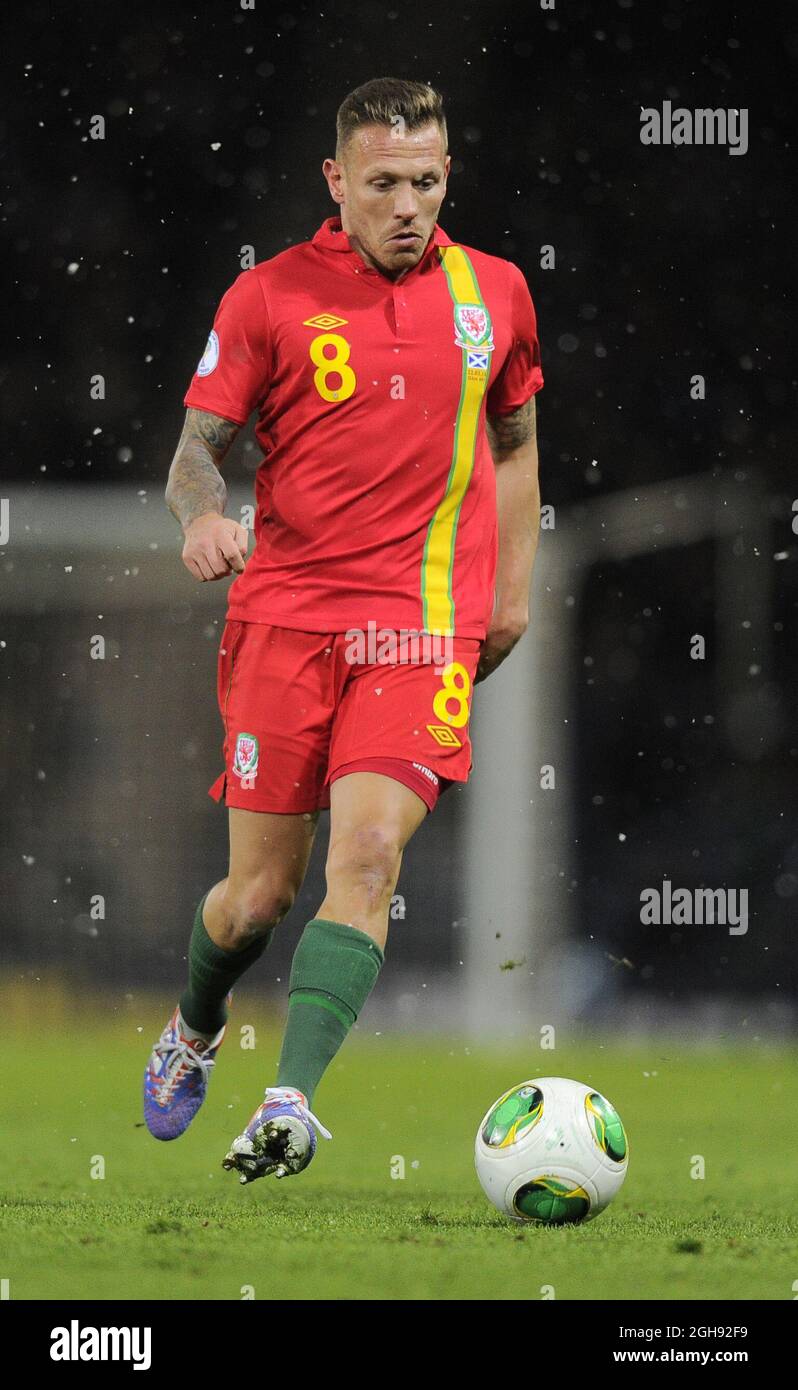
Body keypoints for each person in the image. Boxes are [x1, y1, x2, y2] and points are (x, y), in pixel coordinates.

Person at [143, 76, 543, 1184]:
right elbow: (193, 454)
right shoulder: (267, 297)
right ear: (336, 181)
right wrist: (204, 516)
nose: (407, 204)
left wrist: (509, 594)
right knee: (256, 899)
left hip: (420, 636)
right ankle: (193, 1024)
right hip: (283, 626)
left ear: (447, 173)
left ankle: (289, 1104)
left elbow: (514, 440)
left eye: (426, 180)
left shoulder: (497, 295)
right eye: (383, 184)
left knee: (368, 855)